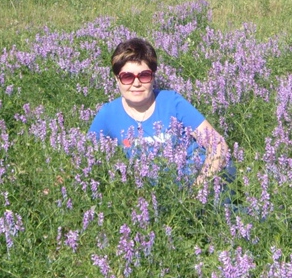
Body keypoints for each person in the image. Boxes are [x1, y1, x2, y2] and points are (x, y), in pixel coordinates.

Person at [88, 37, 229, 188]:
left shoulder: (172, 102)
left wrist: (198, 189)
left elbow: (218, 145)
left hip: (198, 181)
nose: (136, 83)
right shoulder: (108, 114)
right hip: (155, 195)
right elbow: (84, 154)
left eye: (144, 75)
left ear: (153, 76)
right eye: (127, 77)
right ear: (117, 79)